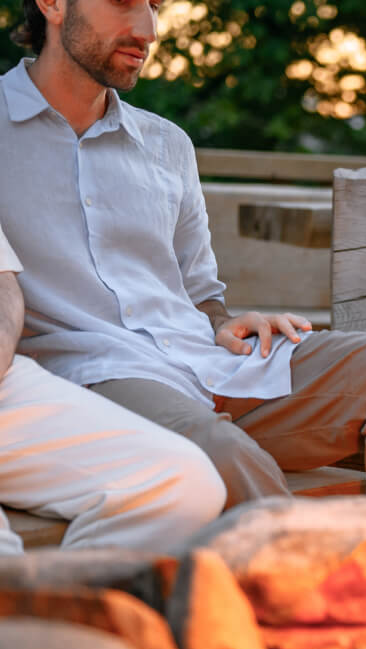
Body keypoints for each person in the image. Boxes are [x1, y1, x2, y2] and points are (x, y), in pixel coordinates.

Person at [0, 0, 366, 568]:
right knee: (222, 452)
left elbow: (200, 297)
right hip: (93, 376)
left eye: (154, 3)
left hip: (202, 362)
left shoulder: (166, 145)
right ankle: (323, 600)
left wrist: (227, 323)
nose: (146, 28)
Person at [0, 221, 226, 554]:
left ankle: (66, 589)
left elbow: (4, 286)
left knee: (186, 483)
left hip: (8, 379)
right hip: (96, 363)